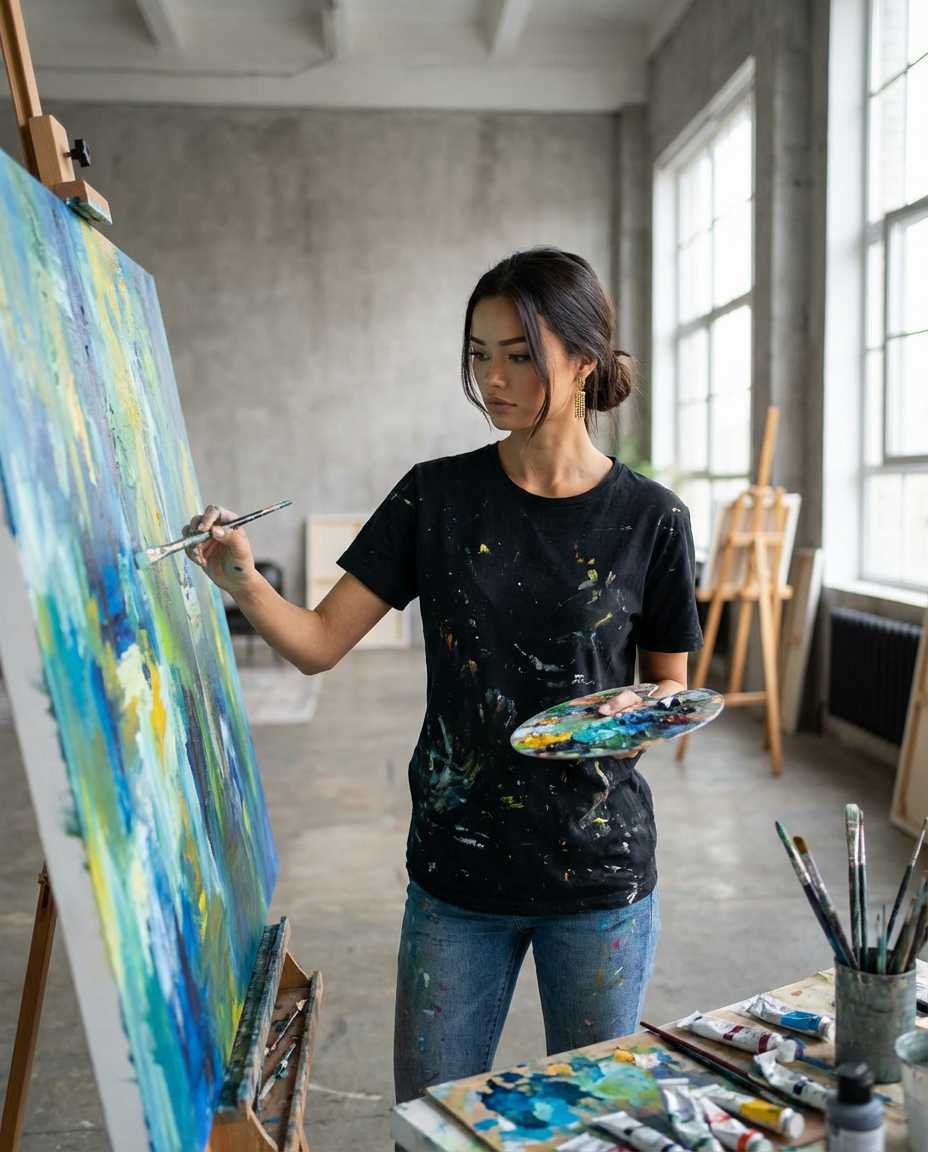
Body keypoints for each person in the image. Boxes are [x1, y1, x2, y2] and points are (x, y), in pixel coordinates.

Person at [185, 247, 702, 1103]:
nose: (492, 378)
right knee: (428, 1124)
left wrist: (626, 722)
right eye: (478, 353)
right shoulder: (436, 498)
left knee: (594, 1125)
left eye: (519, 355)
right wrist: (241, 579)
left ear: (583, 360)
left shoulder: (653, 519)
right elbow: (318, 642)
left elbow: (666, 690)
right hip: (458, 875)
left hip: (599, 875)